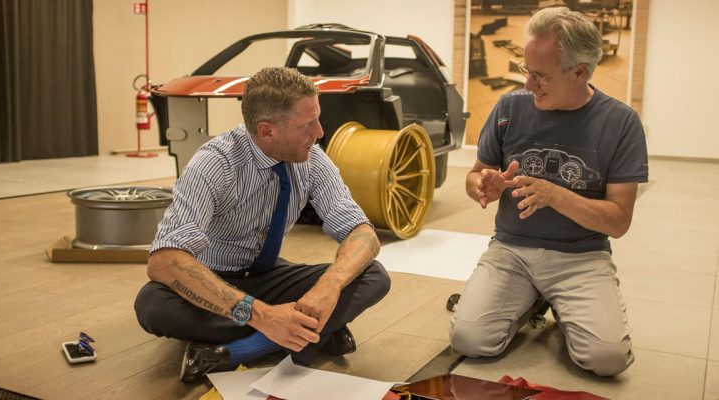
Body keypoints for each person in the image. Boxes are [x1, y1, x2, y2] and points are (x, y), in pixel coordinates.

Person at [134, 67, 390, 382]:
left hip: (267, 275)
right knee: (152, 305)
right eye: (307, 124)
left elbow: (363, 234)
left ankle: (238, 351)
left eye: (318, 119)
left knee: (373, 275)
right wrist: (263, 314)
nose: (320, 132)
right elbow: (164, 260)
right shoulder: (215, 163)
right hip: (214, 278)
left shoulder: (311, 158)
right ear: (267, 131)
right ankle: (316, 332)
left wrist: (329, 287)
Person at [449, 7, 648, 376]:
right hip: (511, 251)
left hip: (582, 257)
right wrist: (482, 184)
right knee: (469, 340)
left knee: (607, 360)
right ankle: (533, 300)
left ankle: (555, 301)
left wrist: (555, 196)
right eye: (526, 70)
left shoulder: (621, 123)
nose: (528, 84)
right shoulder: (509, 108)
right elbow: (474, 176)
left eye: (540, 76)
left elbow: (619, 221)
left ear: (580, 72)